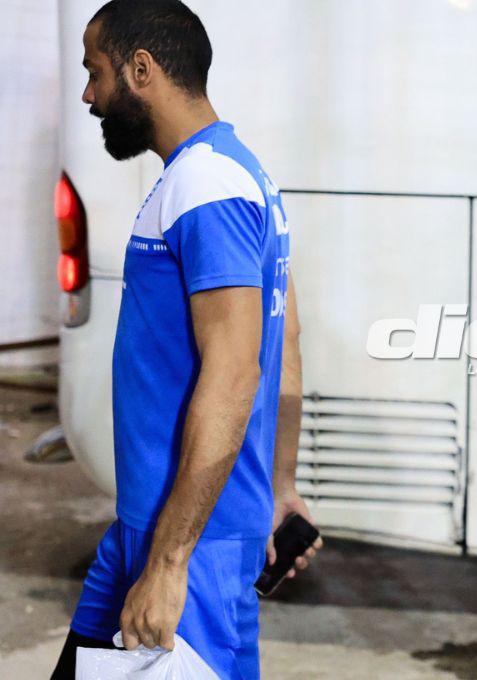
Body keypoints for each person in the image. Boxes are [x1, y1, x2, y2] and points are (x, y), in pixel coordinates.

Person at [51, 2, 321, 678]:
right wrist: (280, 485)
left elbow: (235, 371)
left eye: (96, 73)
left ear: (141, 69)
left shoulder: (206, 184)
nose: (89, 94)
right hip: (151, 527)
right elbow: (281, 339)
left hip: (188, 548)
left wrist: (172, 564)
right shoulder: (235, 173)